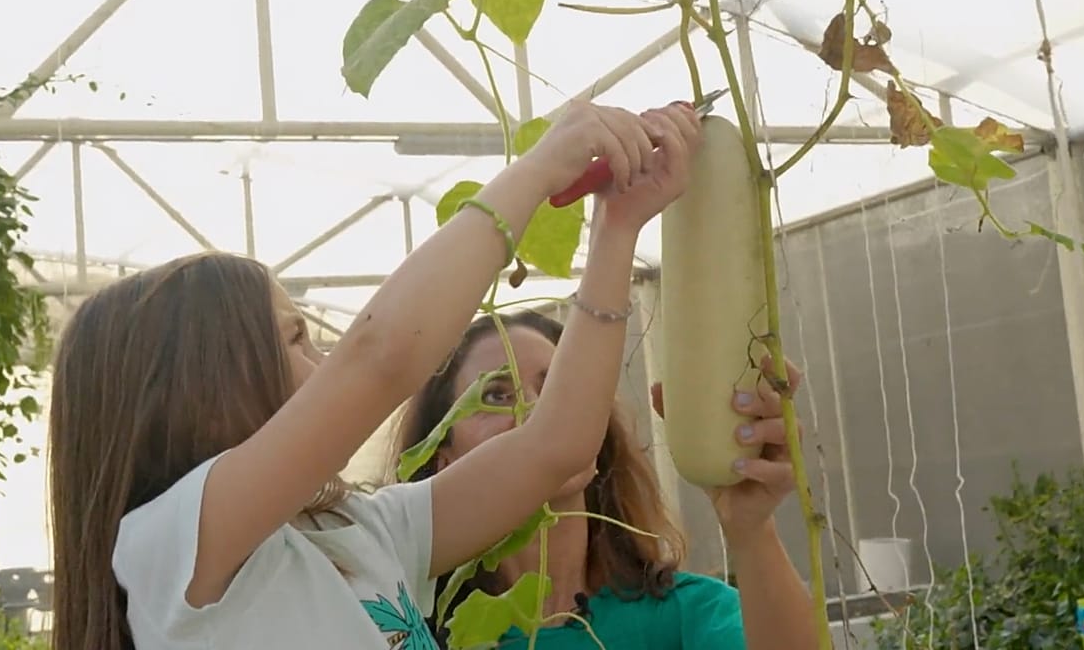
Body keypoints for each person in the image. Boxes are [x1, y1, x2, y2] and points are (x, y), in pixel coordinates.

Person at [46, 99, 703, 650]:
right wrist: (534, 174)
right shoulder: (171, 546)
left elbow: (554, 448)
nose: (328, 360)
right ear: (201, 390)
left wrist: (617, 228)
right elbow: (380, 357)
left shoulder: (356, 532)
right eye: (296, 338)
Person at [394, 310, 819, 650]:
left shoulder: (688, 614)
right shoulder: (407, 632)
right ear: (441, 459)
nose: (536, 410)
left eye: (558, 389)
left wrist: (750, 530)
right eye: (496, 395)